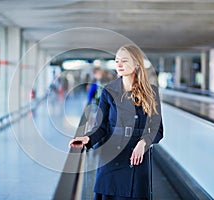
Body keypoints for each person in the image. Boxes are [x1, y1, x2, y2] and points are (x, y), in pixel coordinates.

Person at [69, 45, 163, 200]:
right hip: (112, 159)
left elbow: (157, 129)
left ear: (137, 64)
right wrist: (88, 138)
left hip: (137, 160)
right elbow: (102, 126)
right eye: (117, 60)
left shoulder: (151, 92)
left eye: (124, 61)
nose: (119, 64)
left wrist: (144, 143)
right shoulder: (108, 91)